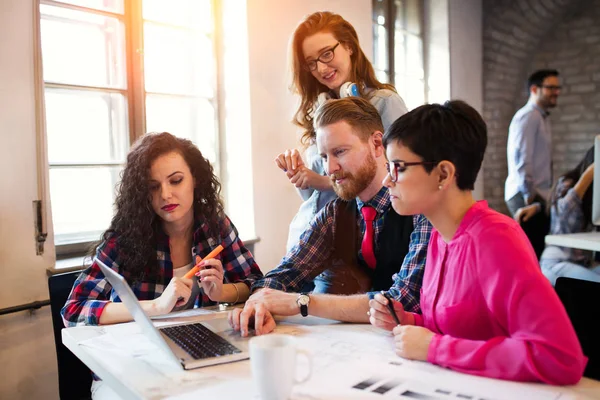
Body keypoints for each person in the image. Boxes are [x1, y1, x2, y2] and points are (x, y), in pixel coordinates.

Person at [368, 100, 586, 384]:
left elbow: (558, 357)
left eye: (398, 167)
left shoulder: (497, 240)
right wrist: (409, 321)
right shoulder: (438, 235)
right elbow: (463, 329)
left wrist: (434, 347)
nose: (387, 180)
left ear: (443, 174)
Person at [228, 97, 431, 337]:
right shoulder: (335, 214)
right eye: (324, 157)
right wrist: (258, 304)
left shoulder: (421, 208)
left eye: (340, 152)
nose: (329, 169)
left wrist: (302, 302)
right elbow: (285, 273)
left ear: (377, 144)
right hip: (359, 348)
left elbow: (403, 300)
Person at [62, 132, 262, 329]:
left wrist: (219, 293)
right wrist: (156, 306)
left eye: (176, 181)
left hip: (203, 341)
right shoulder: (125, 236)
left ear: (195, 179)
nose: (165, 195)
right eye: (153, 187)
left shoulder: (214, 226)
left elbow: (256, 285)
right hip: (144, 350)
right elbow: (73, 311)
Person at [276, 11, 408, 257]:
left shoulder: (384, 103)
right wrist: (300, 176)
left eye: (327, 54)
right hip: (313, 234)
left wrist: (321, 181)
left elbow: (397, 177)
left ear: (348, 46)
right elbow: (312, 196)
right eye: (311, 63)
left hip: (358, 237)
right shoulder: (319, 110)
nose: (321, 68)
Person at [505, 69, 561, 258]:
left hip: (536, 195)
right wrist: (531, 198)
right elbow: (521, 159)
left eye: (557, 87)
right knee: (531, 257)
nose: (557, 92)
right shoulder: (529, 116)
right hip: (526, 195)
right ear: (535, 89)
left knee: (537, 254)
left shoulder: (541, 117)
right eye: (551, 87)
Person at [534, 146, 600, 285]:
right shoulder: (567, 183)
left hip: (584, 264)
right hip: (556, 263)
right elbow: (564, 211)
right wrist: (590, 174)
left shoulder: (595, 196)